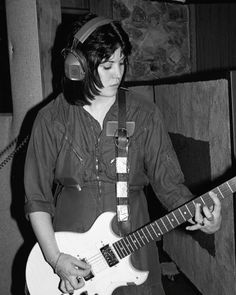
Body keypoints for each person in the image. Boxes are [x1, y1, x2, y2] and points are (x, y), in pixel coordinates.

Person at [24, 13, 222, 295]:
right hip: (70, 256)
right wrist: (56, 259)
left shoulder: (145, 114)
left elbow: (170, 186)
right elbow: (37, 200)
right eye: (107, 65)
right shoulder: (50, 118)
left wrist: (201, 216)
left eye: (121, 62)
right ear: (77, 66)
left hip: (134, 254)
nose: (118, 74)